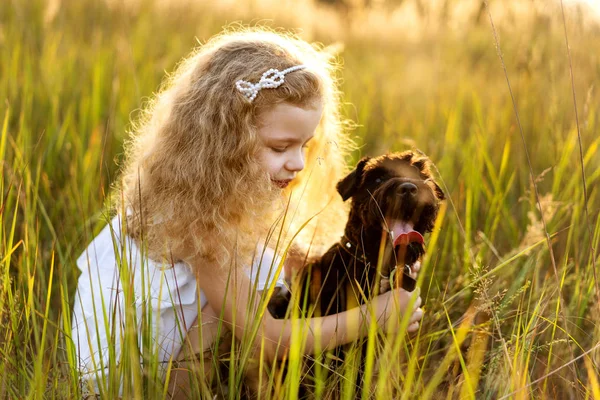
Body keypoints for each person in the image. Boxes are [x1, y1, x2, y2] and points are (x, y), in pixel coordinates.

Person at [70, 27, 424, 398]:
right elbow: (270, 340)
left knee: (271, 273)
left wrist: (371, 270)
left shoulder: (238, 190)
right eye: (280, 147)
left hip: (184, 348)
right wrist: (374, 316)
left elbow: (287, 256)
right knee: (241, 297)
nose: (298, 162)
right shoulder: (198, 221)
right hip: (135, 378)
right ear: (226, 143)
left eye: (304, 144)